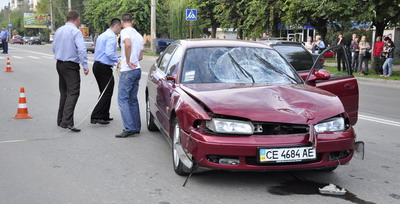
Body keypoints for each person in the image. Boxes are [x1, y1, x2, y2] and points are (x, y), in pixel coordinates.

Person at [52, 10, 89, 132]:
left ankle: (61, 119)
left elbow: (54, 48)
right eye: (79, 20)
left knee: (64, 92)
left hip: (60, 64)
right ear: (77, 19)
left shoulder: (59, 30)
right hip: (70, 65)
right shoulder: (75, 31)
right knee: (73, 92)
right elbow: (82, 50)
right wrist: (85, 64)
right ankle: (66, 121)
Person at [115, 13, 144, 138]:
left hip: (127, 70)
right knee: (133, 99)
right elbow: (141, 56)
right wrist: (133, 60)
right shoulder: (138, 35)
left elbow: (127, 44)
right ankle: (136, 127)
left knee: (122, 99)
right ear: (132, 21)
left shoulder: (125, 32)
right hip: (137, 69)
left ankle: (129, 127)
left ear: (122, 22)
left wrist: (127, 61)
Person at [90, 18, 122, 125]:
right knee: (107, 92)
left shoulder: (103, 35)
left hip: (98, 66)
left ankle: (104, 115)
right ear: (116, 26)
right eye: (120, 28)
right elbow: (109, 52)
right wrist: (117, 60)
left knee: (105, 91)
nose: (120, 31)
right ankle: (96, 116)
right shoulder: (111, 36)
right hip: (103, 67)